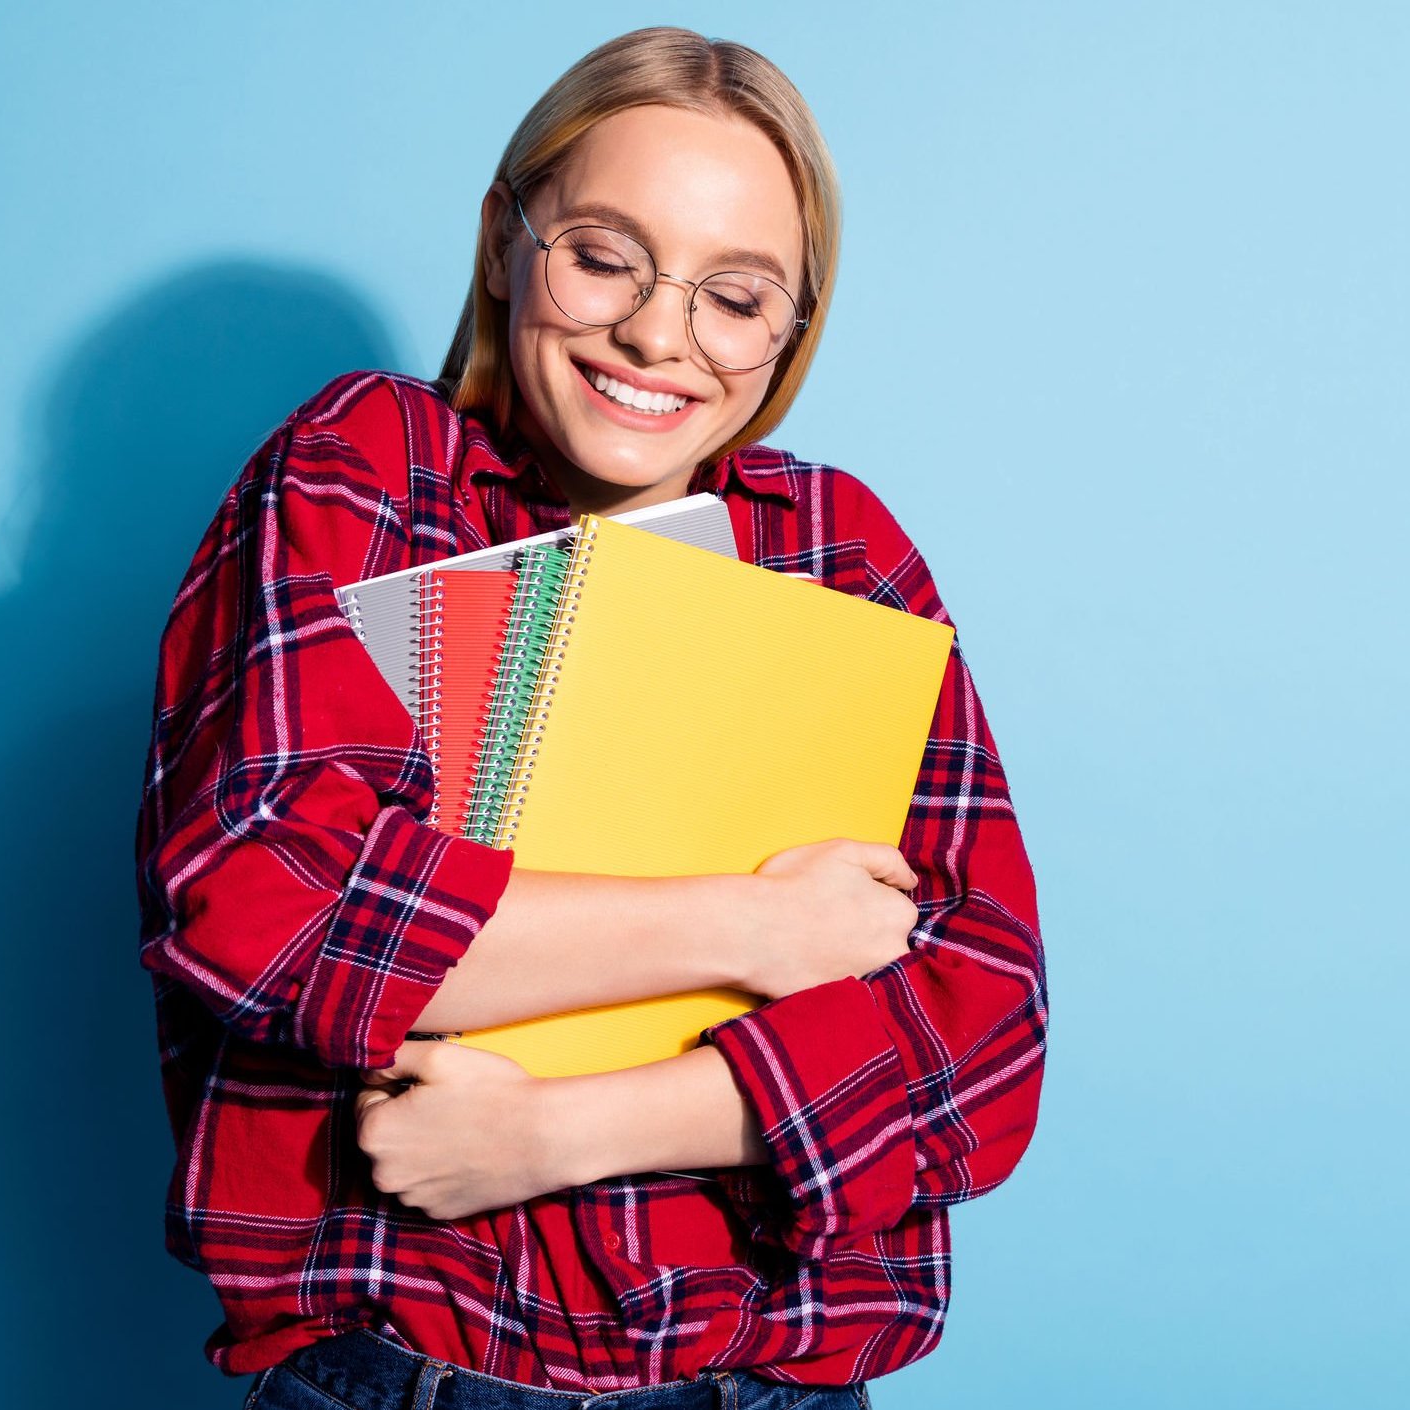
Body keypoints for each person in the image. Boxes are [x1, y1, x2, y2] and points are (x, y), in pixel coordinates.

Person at [134, 27, 1048, 1410]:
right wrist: (754, 926)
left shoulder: (839, 551)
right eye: (606, 257)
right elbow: (266, 904)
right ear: (510, 238)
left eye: (736, 298)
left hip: (770, 1381)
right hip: (411, 1370)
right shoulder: (371, 470)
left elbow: (978, 1043)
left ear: (793, 327)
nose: (659, 336)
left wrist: (553, 1131)